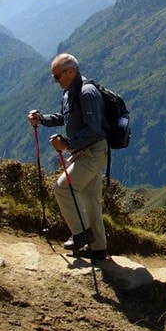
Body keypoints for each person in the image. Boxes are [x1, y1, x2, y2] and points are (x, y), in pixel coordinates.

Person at [28, 53, 108, 261]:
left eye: (57, 76)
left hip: (92, 152)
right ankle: (98, 249)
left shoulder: (87, 92)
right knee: (91, 200)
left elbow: (93, 129)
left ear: (71, 71)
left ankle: (81, 234)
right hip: (85, 152)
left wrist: (67, 144)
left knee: (63, 187)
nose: (55, 81)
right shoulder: (69, 92)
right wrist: (42, 119)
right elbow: (65, 117)